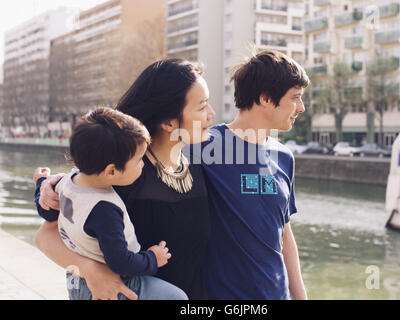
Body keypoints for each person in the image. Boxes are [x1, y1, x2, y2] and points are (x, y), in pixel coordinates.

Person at [34, 59, 215, 300]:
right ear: (169, 121)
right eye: (202, 107)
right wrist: (90, 271)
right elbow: (46, 236)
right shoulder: (124, 173)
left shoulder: (199, 165)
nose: (211, 114)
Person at [186, 50, 309, 299]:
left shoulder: (284, 157)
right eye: (295, 98)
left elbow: (284, 235)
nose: (301, 108)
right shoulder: (202, 146)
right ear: (265, 98)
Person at [34, 107, 187, 300]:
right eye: (139, 160)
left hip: (75, 281)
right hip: (113, 283)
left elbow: (46, 210)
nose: (142, 165)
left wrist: (40, 182)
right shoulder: (104, 210)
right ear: (111, 171)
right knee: (177, 298)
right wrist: (152, 259)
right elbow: (120, 262)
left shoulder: (65, 183)